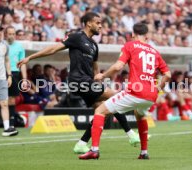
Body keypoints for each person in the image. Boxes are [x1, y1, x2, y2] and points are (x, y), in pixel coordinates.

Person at [17, 12, 140, 153]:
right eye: (98, 23)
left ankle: (82, 143)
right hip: (78, 81)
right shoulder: (76, 37)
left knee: (103, 112)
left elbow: (95, 66)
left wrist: (99, 78)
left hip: (88, 81)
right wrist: (31, 57)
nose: (101, 26)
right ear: (89, 23)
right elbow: (53, 48)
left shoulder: (94, 45)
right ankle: (130, 134)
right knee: (114, 96)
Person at [78, 23, 171, 160]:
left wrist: (103, 75)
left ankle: (94, 150)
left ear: (133, 34)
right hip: (151, 95)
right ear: (147, 36)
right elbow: (167, 74)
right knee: (140, 116)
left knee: (100, 111)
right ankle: (144, 152)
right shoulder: (154, 52)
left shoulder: (130, 45)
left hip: (135, 91)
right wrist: (158, 88)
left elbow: (118, 66)